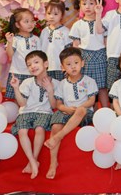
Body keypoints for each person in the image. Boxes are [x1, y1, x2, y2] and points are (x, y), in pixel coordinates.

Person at [44, 47, 98, 179]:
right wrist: (66, 109)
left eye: (76, 63)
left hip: (84, 113)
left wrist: (79, 108)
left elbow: (91, 101)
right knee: (55, 126)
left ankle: (58, 137)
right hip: (67, 112)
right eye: (68, 64)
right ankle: (53, 163)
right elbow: (58, 104)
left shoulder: (89, 81)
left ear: (82, 63)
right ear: (62, 67)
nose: (73, 67)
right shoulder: (62, 84)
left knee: (81, 110)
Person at [10, 51, 59, 179]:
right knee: (22, 131)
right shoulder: (27, 82)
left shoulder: (56, 83)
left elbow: (54, 106)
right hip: (26, 112)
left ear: (46, 64)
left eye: (36, 62)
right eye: (29, 64)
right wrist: (16, 88)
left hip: (44, 113)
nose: (32, 66)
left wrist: (50, 90)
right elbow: (22, 104)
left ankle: (34, 159)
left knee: (39, 128)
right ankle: (32, 161)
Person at [69, 0, 109, 108]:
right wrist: (76, 61)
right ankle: (90, 111)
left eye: (91, 3)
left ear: (98, 4)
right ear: (80, 5)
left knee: (102, 86)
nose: (88, 7)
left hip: (101, 56)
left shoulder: (103, 22)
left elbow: (106, 40)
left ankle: (106, 110)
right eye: (84, 3)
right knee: (87, 86)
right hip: (84, 57)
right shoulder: (77, 24)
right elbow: (75, 45)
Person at [5, 8, 40, 99]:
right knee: (16, 98)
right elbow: (10, 55)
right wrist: (10, 42)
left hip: (33, 73)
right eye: (26, 21)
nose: (30, 24)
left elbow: (40, 57)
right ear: (17, 24)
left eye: (32, 21)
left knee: (31, 98)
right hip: (17, 73)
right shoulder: (14, 39)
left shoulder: (36, 39)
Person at [39, 0, 71, 82]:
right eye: (49, 13)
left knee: (61, 87)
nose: (51, 16)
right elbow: (40, 50)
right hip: (46, 67)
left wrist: (67, 66)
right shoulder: (44, 31)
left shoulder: (66, 31)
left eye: (55, 14)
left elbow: (68, 52)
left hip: (60, 68)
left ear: (62, 15)